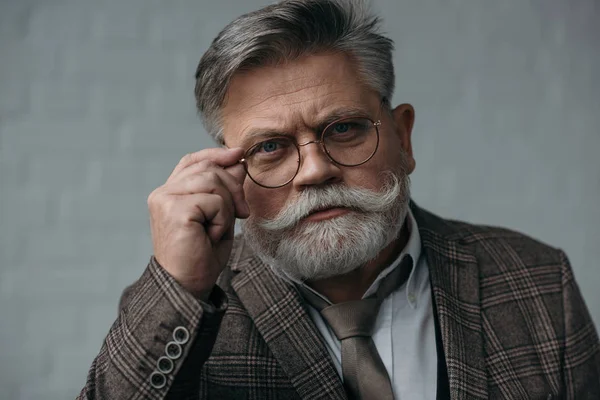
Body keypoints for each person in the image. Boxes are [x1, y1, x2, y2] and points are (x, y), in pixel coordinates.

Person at [77, 0, 600, 399]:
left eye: (345, 128)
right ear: (232, 173)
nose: (316, 170)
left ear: (404, 137)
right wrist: (181, 287)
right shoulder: (184, 305)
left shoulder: (537, 280)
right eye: (270, 147)